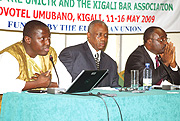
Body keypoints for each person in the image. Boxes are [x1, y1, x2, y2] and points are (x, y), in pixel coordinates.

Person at [0, 20, 72, 93]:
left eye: (49, 38)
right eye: (42, 39)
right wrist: (36, 84)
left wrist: (48, 84)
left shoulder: (49, 53)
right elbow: (3, 85)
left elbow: (66, 81)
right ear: (28, 39)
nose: (48, 43)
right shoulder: (11, 55)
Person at [59, 20, 120, 87]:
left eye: (105, 35)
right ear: (89, 35)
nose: (103, 39)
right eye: (99, 35)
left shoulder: (111, 63)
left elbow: (115, 89)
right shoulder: (71, 54)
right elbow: (63, 84)